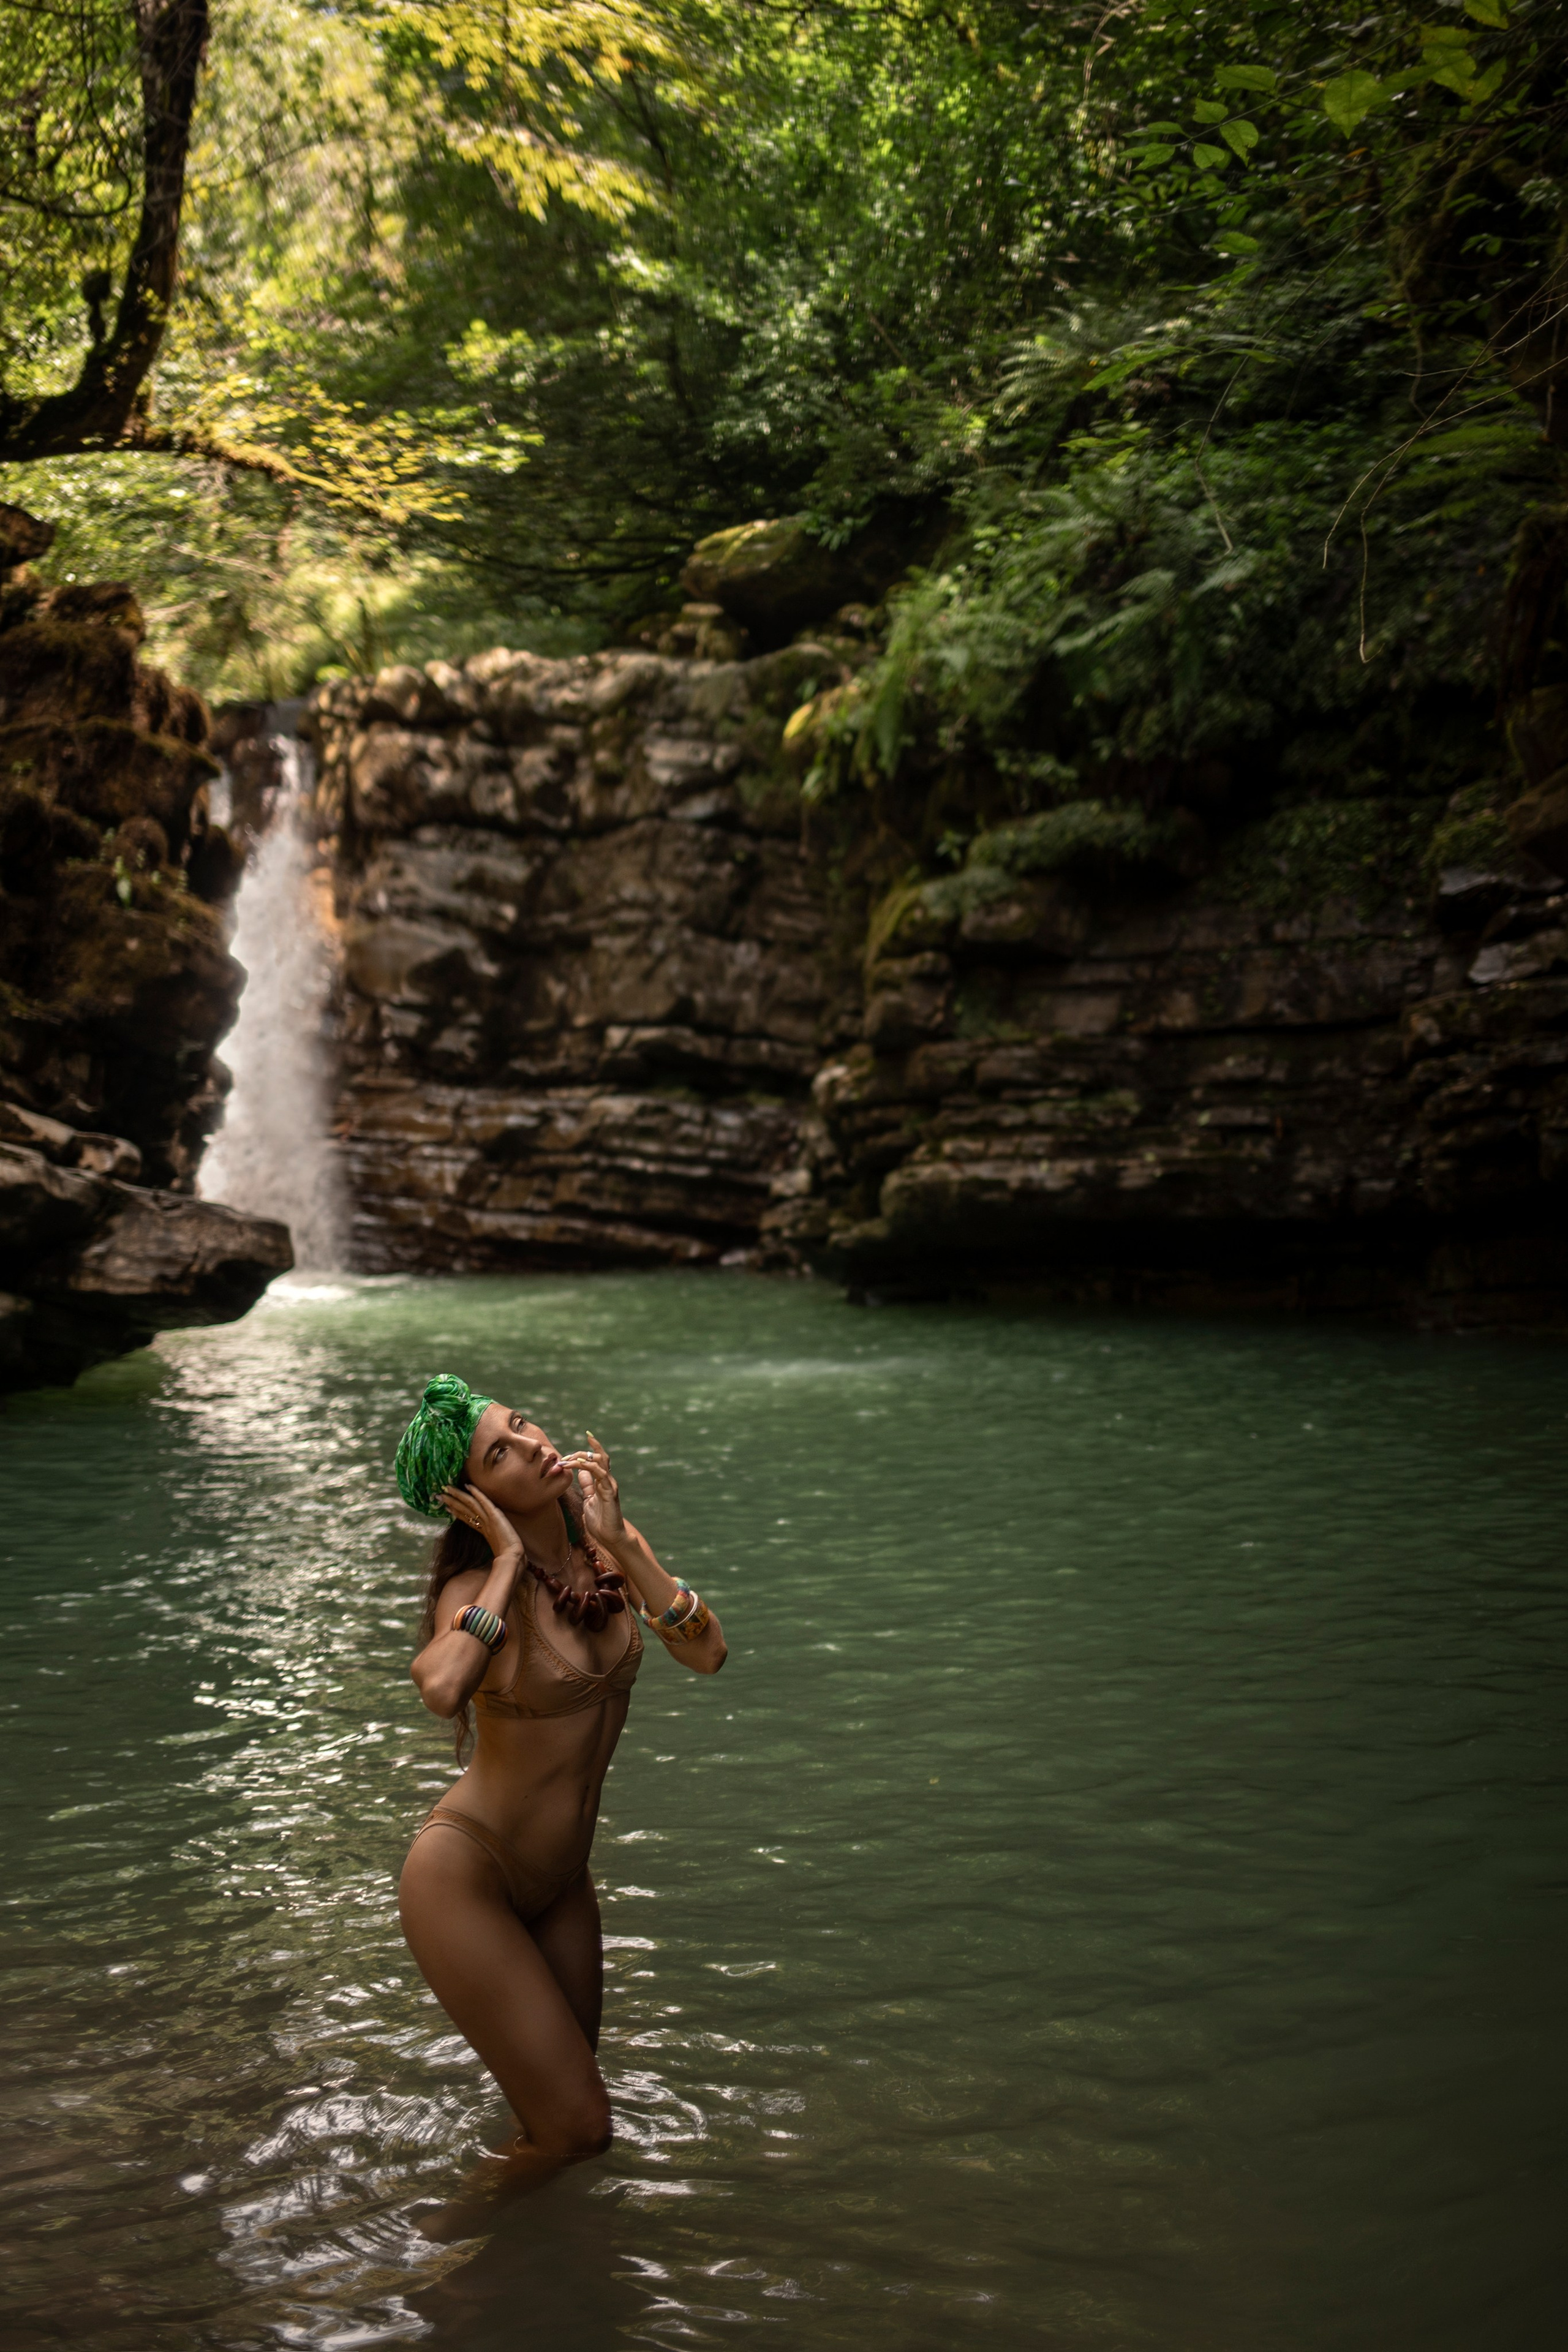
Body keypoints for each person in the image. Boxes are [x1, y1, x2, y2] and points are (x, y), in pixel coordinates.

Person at [393, 1373, 725, 2215]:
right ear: (473, 1496)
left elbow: (709, 1653)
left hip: (563, 1884)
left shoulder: (604, 1554)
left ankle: (533, 2301)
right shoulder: (476, 1596)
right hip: (467, 1879)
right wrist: (504, 1561)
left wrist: (628, 1543)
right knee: (579, 2129)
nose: (534, 1444)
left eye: (523, 1424)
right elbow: (441, 1689)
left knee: (563, 2128)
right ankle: (433, 2261)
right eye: (498, 1452)